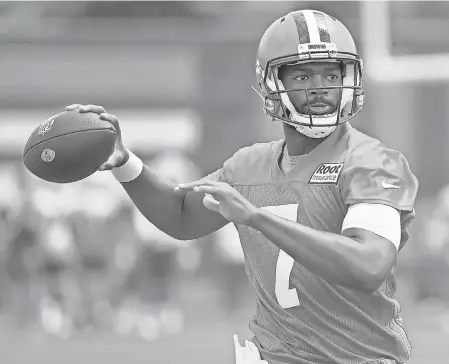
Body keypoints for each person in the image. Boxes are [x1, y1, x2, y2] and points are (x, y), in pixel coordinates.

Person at [65, 9, 418, 364]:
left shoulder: (371, 162)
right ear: (273, 84)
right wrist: (127, 165)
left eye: (331, 73)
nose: (320, 87)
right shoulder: (249, 165)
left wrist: (257, 218)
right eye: (302, 75)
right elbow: (182, 215)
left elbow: (369, 266)